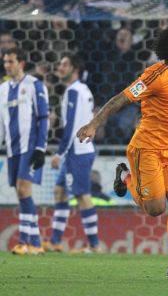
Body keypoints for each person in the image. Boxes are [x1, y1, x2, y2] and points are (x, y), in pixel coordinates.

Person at [76, 24, 168, 283]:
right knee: (156, 209)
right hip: (147, 148)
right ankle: (125, 176)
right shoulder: (154, 76)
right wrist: (93, 124)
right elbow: (120, 99)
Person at [42, 54, 100, 253]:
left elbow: (72, 127)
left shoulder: (74, 91)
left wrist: (59, 153)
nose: (60, 67)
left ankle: (94, 246)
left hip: (78, 152)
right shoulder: (82, 89)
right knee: (59, 192)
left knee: (83, 196)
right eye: (59, 63)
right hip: (76, 151)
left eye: (64, 64)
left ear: (74, 68)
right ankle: (55, 241)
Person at [0, 47, 49, 255]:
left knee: (22, 189)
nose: (7, 65)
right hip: (12, 148)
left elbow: (43, 117)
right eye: (5, 61)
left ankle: (23, 242)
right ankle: (36, 243)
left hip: (30, 146)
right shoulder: (2, 89)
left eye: (11, 61)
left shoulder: (34, 85)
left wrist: (40, 148)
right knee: (22, 194)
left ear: (21, 63)